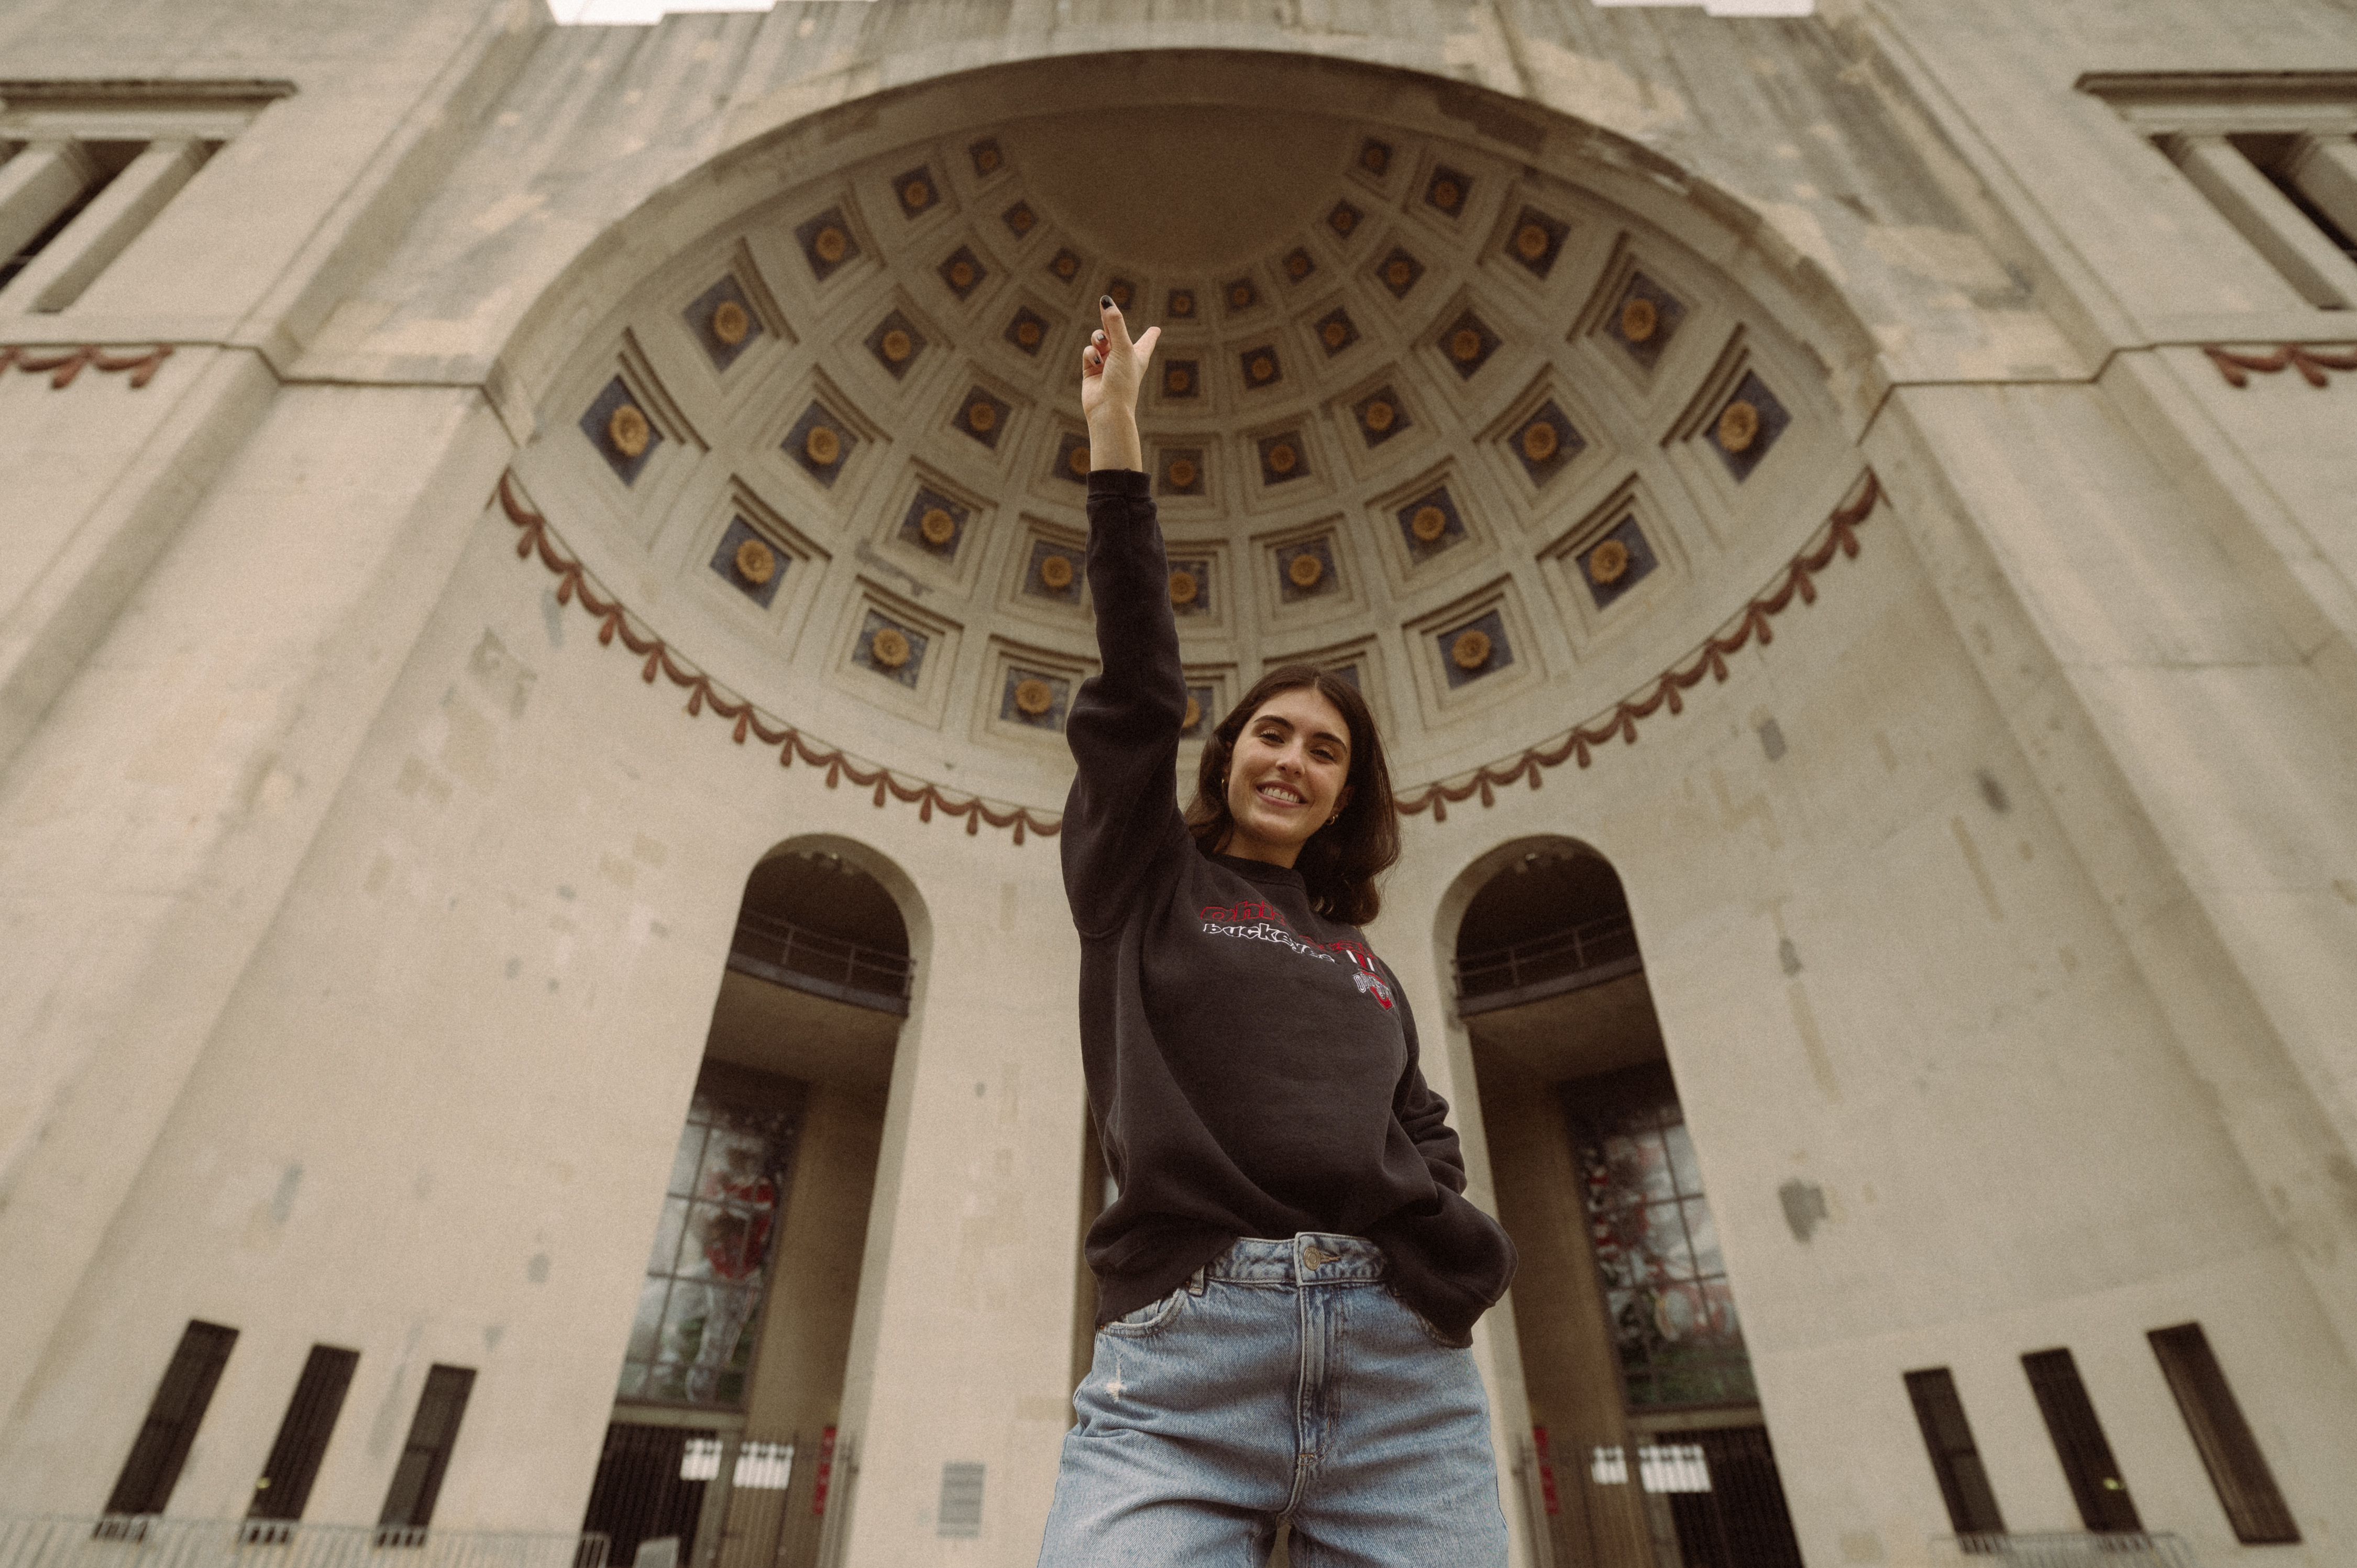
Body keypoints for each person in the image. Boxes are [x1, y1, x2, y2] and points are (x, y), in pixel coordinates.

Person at [1034, 296, 1517, 1567]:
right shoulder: (1144, 881)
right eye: (1269, 732)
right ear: (1228, 752)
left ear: (1348, 792)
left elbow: (1421, 1127)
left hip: (1401, 1382)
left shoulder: (1364, 962)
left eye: (1325, 749)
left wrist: (1440, 1262)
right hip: (1187, 1369)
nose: (1292, 759)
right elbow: (1135, 693)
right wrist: (1117, 457)